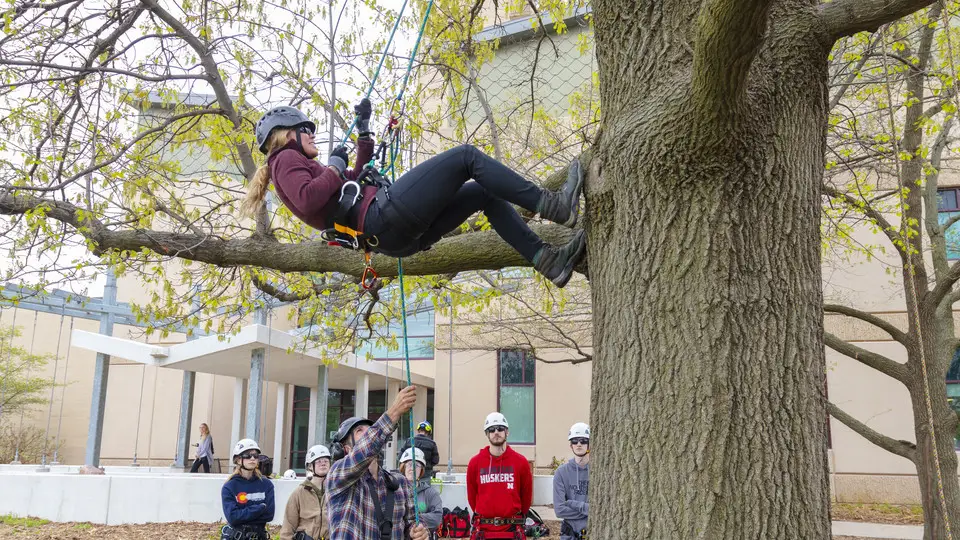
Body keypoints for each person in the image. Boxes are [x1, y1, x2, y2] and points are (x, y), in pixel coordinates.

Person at [243, 101, 587, 288]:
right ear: (288, 134)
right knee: (465, 158)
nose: (313, 138)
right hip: (382, 217)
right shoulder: (284, 159)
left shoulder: (296, 164)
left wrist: (363, 135)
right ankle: (552, 205)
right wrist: (333, 166)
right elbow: (309, 198)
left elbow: (354, 178)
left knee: (484, 193)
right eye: (308, 132)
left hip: (392, 237)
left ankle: (548, 261)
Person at [325, 385, 430, 540]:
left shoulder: (399, 483)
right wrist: (394, 412)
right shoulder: (338, 476)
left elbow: (412, 522)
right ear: (346, 449)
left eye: (370, 429)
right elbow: (364, 451)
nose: (368, 432)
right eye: (360, 431)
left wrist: (418, 531)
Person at [466, 412, 533, 539]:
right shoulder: (475, 463)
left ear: (507, 432)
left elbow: (526, 497)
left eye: (500, 428)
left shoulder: (520, 462)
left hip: (512, 529)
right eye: (491, 429)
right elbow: (472, 497)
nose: (496, 432)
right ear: (487, 434)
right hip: (484, 530)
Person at [221, 438, 275, 540]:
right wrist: (260, 508)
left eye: (255, 456)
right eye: (247, 455)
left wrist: (243, 514)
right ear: (238, 459)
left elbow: (269, 515)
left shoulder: (267, 485)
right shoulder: (229, 486)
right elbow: (233, 517)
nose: (252, 458)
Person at [281, 445, 331, 540]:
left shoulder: (336, 491)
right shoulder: (299, 493)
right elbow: (288, 527)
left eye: (326, 461)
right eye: (319, 461)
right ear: (310, 466)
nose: (323, 464)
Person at [553, 422, 590, 540]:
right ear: (571, 445)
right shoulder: (561, 472)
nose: (579, 444)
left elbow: (601, 509)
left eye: (583, 440)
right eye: (575, 441)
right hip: (569, 535)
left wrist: (572, 503)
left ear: (590, 444)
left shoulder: (599, 472)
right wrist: (587, 509)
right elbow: (559, 510)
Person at [398, 447, 443, 537]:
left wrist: (415, 518)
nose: (413, 468)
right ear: (403, 467)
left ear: (422, 469)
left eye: (417, 465)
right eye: (410, 464)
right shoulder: (396, 492)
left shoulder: (430, 493)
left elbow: (437, 517)